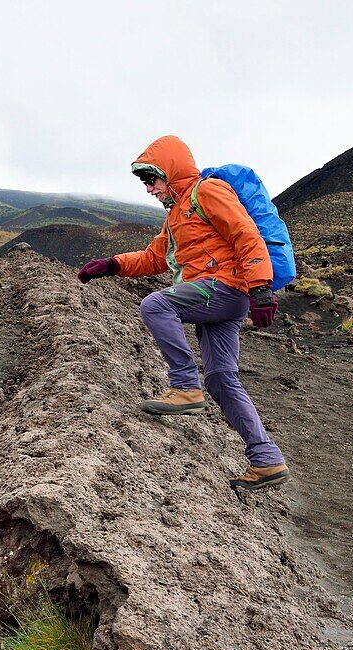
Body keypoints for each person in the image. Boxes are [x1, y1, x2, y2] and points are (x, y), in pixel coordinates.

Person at [77, 135, 289, 490]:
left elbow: (245, 234)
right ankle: (266, 459)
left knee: (156, 304)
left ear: (171, 172)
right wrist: (112, 264)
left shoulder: (208, 192)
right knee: (222, 380)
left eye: (152, 180)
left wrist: (261, 287)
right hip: (219, 296)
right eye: (145, 183)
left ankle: (184, 386)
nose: (149, 189)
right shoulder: (177, 214)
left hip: (226, 287)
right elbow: (155, 258)